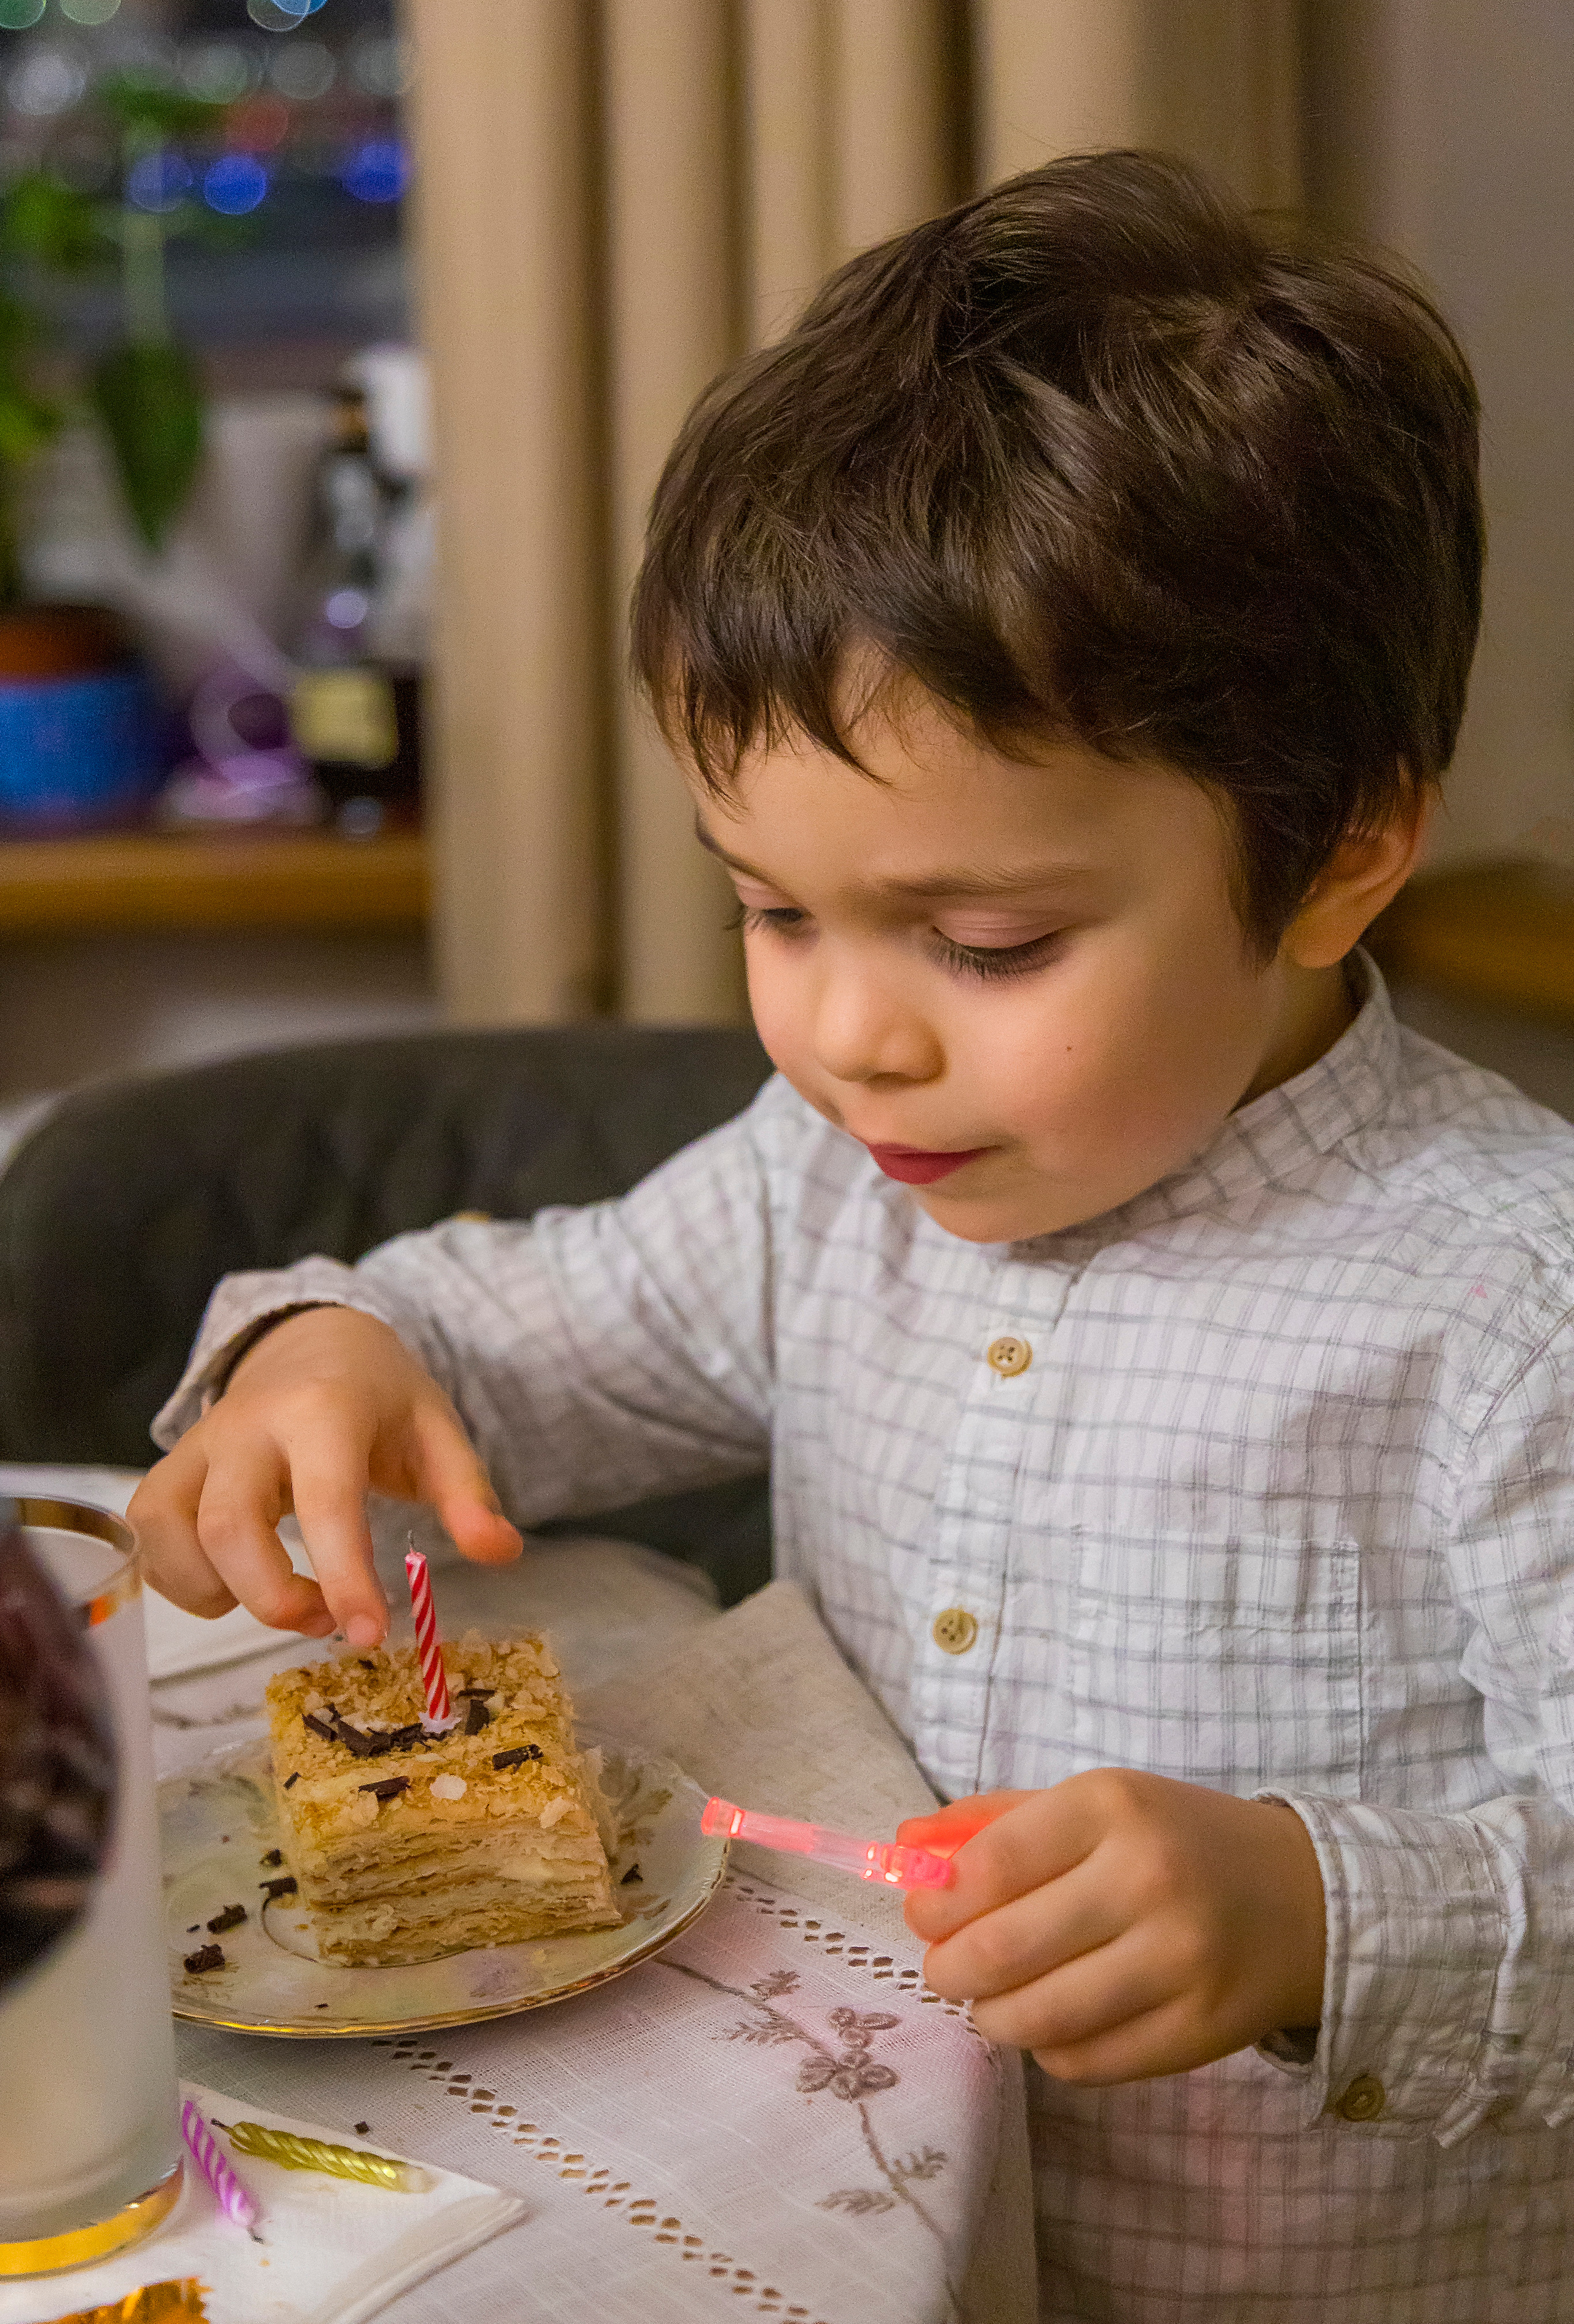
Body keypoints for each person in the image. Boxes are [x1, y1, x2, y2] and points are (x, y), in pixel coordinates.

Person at [131, 152, 1574, 2317]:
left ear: (1344, 849)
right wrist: (322, 1354)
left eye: (986, 942)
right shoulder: (827, 1188)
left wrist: (1315, 1913)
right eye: (773, 909)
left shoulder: (1510, 1308)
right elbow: (504, 1338)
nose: (844, 1034)